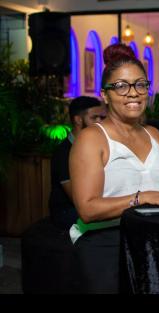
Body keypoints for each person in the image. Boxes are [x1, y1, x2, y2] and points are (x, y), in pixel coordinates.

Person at [69, 43, 159, 293]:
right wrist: (145, 197)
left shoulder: (155, 134)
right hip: (106, 242)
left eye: (140, 84)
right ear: (105, 95)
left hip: (156, 237)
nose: (133, 93)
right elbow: (87, 209)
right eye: (121, 86)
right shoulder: (92, 139)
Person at [48, 96, 107, 230]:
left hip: (91, 204)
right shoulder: (63, 152)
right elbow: (76, 198)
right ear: (78, 120)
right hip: (66, 212)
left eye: (102, 118)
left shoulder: (98, 145)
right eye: (94, 118)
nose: (100, 122)